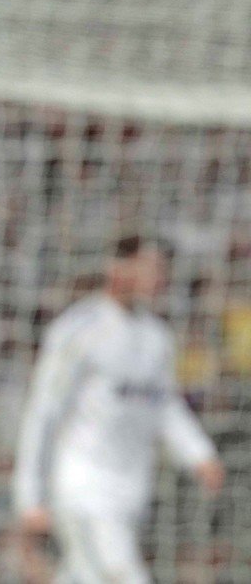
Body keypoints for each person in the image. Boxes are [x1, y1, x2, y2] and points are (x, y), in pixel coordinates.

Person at [13, 236, 226, 584]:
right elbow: (44, 412)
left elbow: (165, 405)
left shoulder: (157, 337)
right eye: (149, 267)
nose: (159, 276)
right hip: (83, 487)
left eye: (161, 268)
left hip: (131, 491)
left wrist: (199, 454)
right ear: (117, 269)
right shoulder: (79, 329)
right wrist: (29, 495)